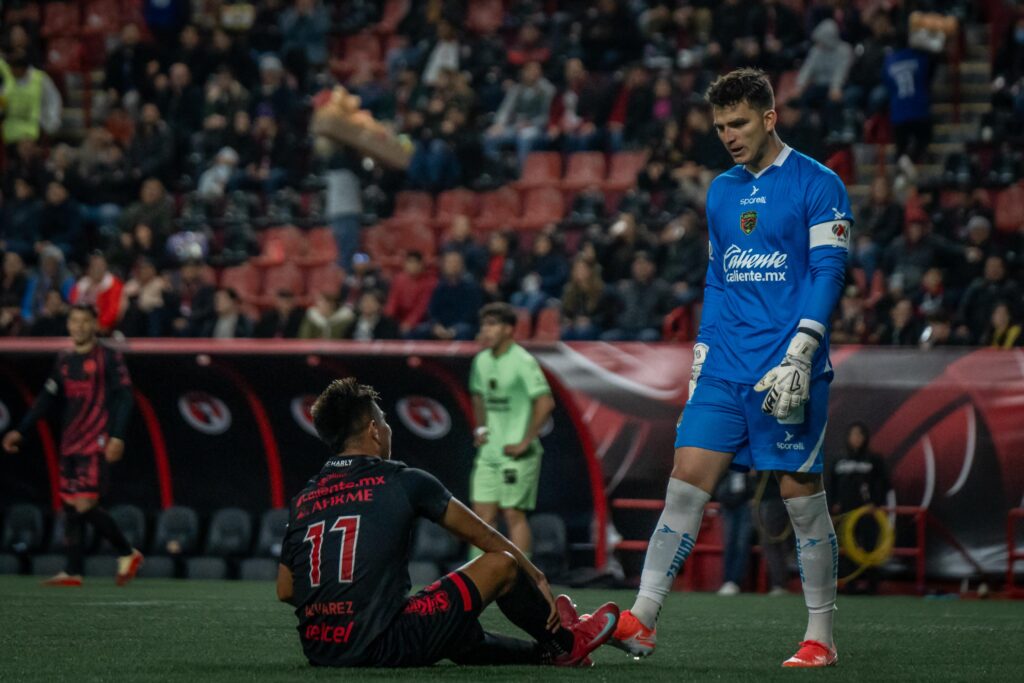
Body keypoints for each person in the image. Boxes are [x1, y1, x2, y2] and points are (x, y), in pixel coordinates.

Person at [612, 69, 850, 669]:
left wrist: (803, 349)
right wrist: (701, 354)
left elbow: (829, 272)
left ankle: (821, 636)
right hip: (725, 369)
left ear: (770, 118)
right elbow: (717, 279)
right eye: (721, 126)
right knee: (684, 484)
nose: (729, 136)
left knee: (801, 501)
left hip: (788, 371)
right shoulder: (720, 190)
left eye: (739, 123)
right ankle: (642, 618)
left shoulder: (819, 184)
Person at [276, 377, 618, 667]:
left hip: (321, 650)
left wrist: (342, 614)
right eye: (384, 422)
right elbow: (486, 538)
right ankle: (565, 645)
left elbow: (287, 589)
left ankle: (539, 655)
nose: (386, 428)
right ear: (373, 432)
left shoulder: (305, 497)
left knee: (454, 629)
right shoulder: (404, 480)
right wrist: (537, 576)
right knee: (501, 565)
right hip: (384, 646)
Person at [2, 304, 143, 586]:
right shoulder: (64, 359)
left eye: (84, 321)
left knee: (84, 504)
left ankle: (128, 552)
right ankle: (73, 570)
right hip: (70, 441)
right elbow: (46, 398)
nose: (78, 326)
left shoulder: (108, 357)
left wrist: (117, 435)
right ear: (68, 325)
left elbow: (125, 397)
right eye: (74, 321)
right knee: (69, 505)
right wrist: (21, 430)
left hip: (96, 439)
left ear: (95, 324)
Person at [468, 303, 556, 557]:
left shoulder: (523, 361)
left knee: (512, 514)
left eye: (492, 324)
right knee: (481, 517)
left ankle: (523, 578)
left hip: (517, 455)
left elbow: (545, 402)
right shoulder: (481, 361)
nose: (486, 330)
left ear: (508, 329)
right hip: (488, 452)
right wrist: (481, 427)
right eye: (484, 324)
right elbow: (477, 396)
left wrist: (525, 440)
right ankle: (479, 579)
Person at [827, 423, 891, 594]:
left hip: (868, 511)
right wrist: (831, 507)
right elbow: (830, 484)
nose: (856, 438)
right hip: (845, 512)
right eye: (853, 434)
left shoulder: (874, 459)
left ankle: (872, 584)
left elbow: (883, 483)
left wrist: (876, 503)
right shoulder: (838, 459)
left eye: (860, 435)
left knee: (870, 546)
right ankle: (850, 583)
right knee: (847, 546)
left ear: (865, 438)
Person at [714, 471, 756, 596]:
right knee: (730, 543)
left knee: (741, 543)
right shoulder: (726, 463)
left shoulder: (750, 462)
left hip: (745, 505)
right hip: (728, 504)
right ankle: (728, 580)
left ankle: (735, 581)